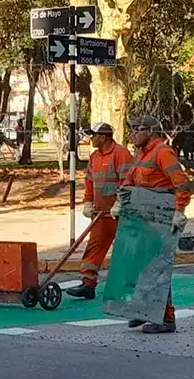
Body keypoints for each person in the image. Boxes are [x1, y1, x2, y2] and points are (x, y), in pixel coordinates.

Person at [117, 115, 191, 334]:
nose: (133, 134)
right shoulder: (141, 154)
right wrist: (120, 201)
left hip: (162, 215)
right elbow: (129, 180)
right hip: (144, 214)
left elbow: (182, 183)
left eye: (137, 130)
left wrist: (179, 211)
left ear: (150, 131)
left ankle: (166, 319)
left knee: (158, 267)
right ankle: (145, 311)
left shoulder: (163, 153)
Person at [65, 123, 133, 300]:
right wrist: (88, 202)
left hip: (121, 214)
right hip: (100, 214)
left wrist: (120, 203)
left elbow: (128, 181)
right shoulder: (95, 156)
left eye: (93, 135)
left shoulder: (121, 154)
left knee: (126, 250)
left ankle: (129, 287)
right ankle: (88, 284)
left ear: (103, 137)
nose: (90, 138)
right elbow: (89, 182)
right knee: (94, 248)